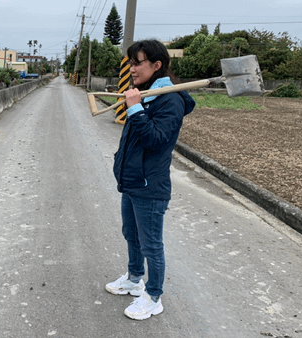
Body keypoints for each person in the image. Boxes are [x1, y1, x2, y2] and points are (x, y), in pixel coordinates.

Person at [105, 39, 195, 320]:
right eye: (130, 63)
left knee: (151, 244)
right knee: (131, 234)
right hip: (131, 181)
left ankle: (154, 295)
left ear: (156, 65)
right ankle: (134, 279)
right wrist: (136, 104)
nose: (131, 69)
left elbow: (155, 139)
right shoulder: (146, 94)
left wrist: (135, 109)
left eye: (136, 63)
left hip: (150, 186)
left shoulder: (171, 100)